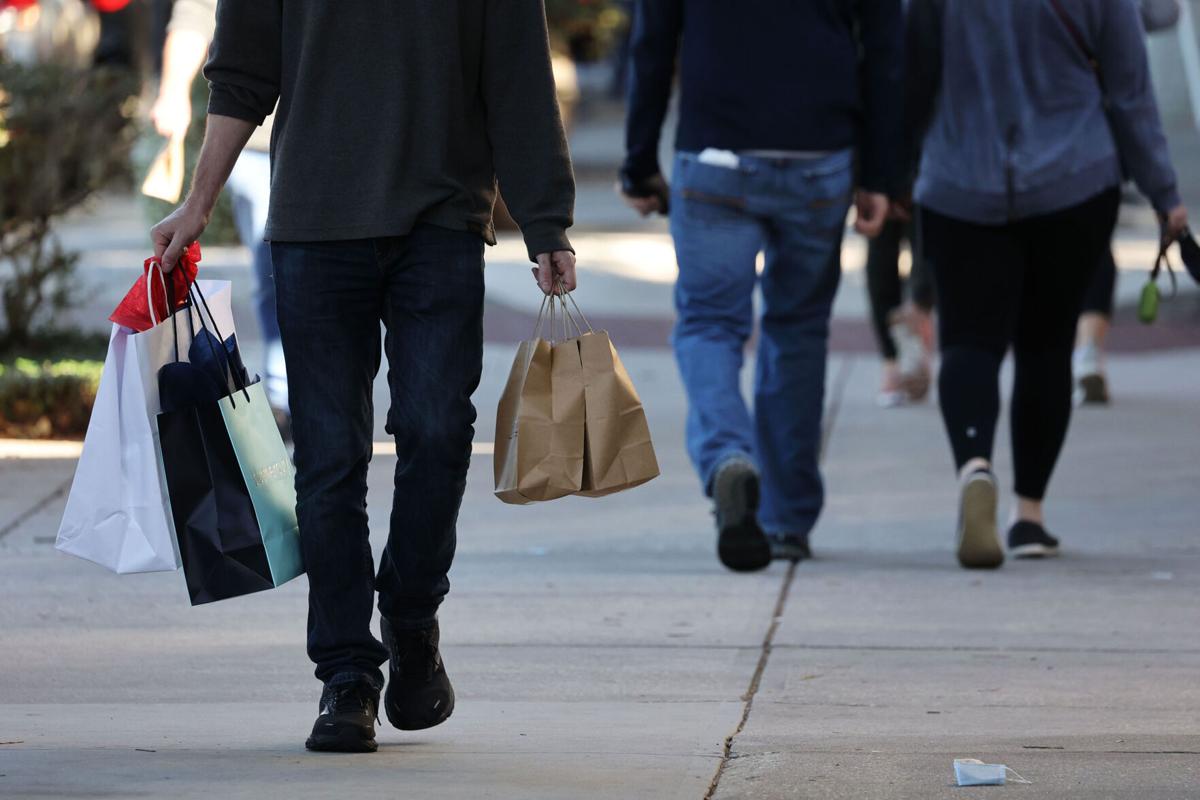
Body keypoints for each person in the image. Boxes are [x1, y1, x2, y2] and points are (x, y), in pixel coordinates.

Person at [150, 1, 577, 753]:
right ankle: (347, 673)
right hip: (315, 225)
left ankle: (411, 616)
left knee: (439, 431)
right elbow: (243, 74)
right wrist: (199, 201)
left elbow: (515, 71)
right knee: (328, 460)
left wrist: (546, 219)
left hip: (441, 219)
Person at [620, 0, 903, 570]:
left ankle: (728, 455)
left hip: (715, 146)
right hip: (819, 150)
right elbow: (886, 48)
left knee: (708, 323)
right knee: (797, 328)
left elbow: (652, 41)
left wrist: (639, 158)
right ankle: (787, 518)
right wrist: (881, 173)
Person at [906, 0, 1188, 569]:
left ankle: (974, 466)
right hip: (1073, 180)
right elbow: (1131, 87)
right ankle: (1028, 517)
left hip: (961, 179)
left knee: (967, 341)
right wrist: (1164, 193)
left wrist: (888, 173)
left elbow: (910, 72)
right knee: (1047, 346)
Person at [150, 0, 289, 432]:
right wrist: (173, 93)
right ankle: (285, 395)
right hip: (258, 137)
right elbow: (196, 15)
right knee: (277, 274)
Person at [1073, 0, 1181, 406]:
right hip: (1093, 140)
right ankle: (1086, 356)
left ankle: (1078, 355)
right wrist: (1163, 192)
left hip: (1015, 153)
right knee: (1095, 247)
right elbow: (1163, 15)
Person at [864, 212, 936, 407]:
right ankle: (892, 360)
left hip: (924, 186)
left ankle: (917, 323)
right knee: (880, 259)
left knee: (928, 246)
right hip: (882, 185)